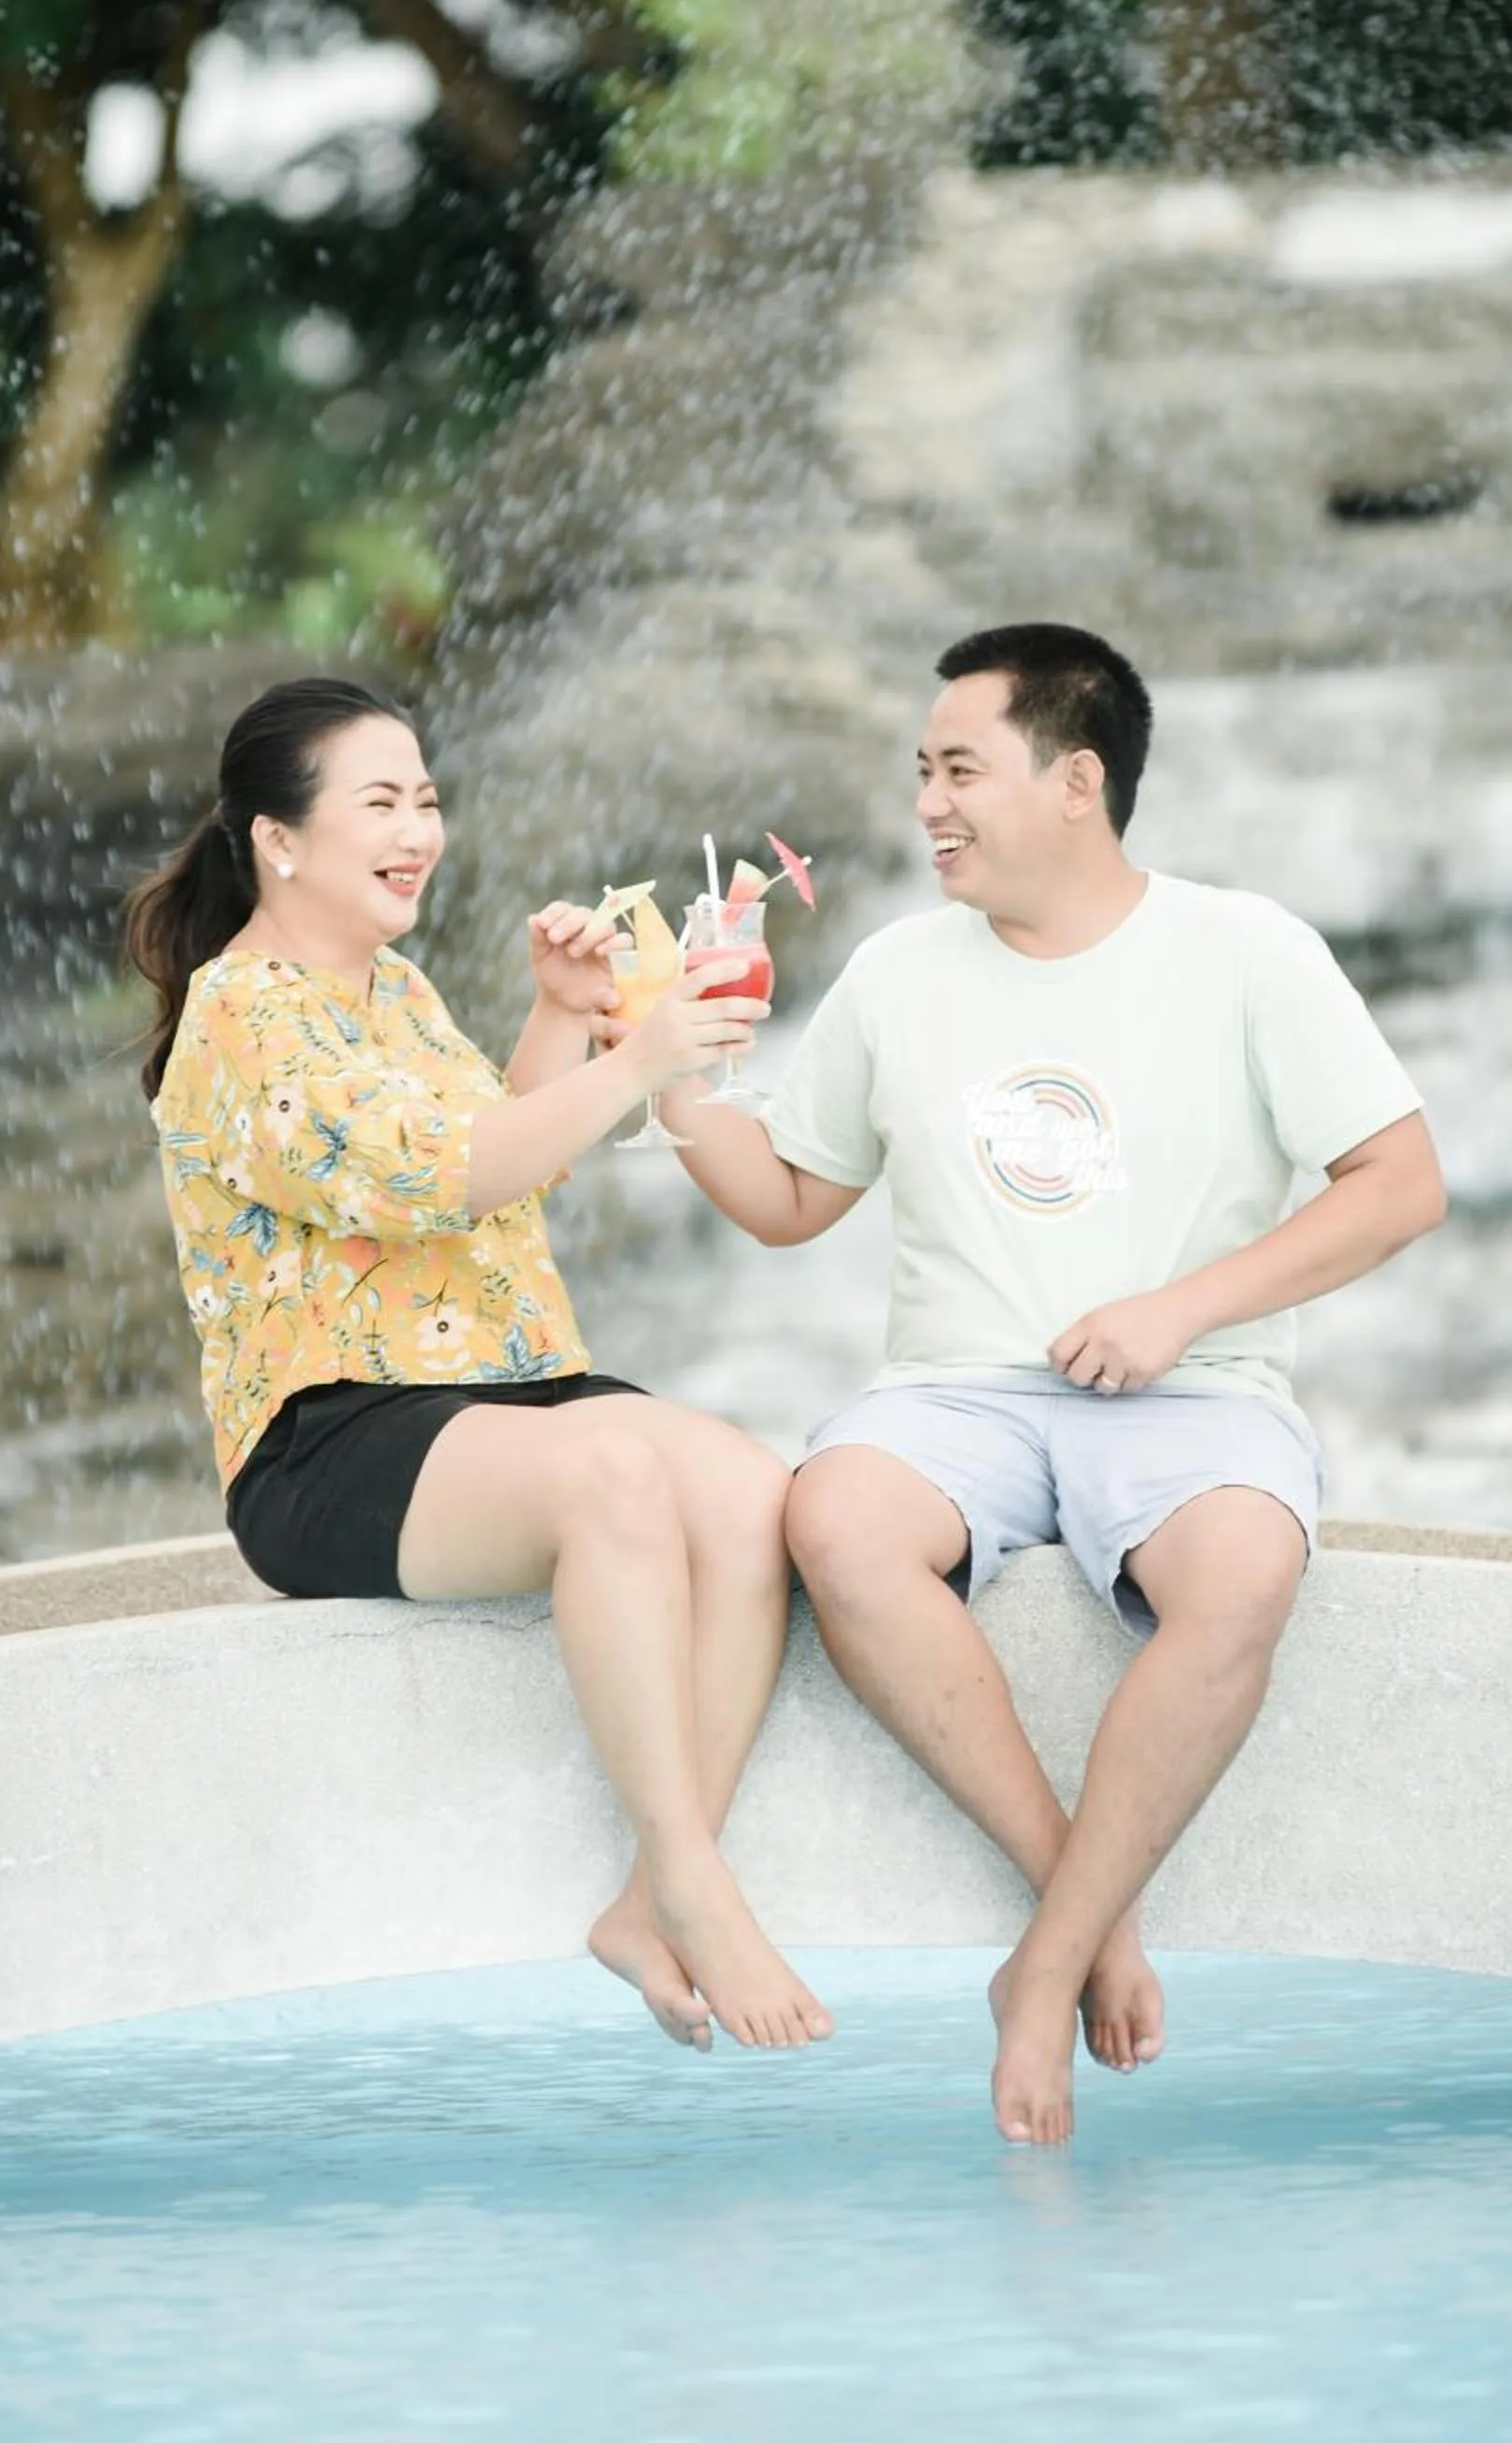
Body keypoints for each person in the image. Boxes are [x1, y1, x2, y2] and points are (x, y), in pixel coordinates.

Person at [657, 622, 1445, 2142]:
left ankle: (1040, 1968)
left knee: (1241, 1574)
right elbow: (786, 1201)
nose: (927, 803)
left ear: (1076, 779)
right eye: (919, 773)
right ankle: (1081, 1924)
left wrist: (1177, 1311)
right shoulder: (896, 969)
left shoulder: (1246, 950)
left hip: (1196, 1389)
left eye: (960, 768)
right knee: (834, 1519)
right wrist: (662, 1069)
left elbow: (1397, 1184)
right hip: (955, 1397)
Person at [123, 674, 831, 2058]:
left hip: (497, 1395)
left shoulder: (391, 990)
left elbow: (508, 1165)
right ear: (278, 837)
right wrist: (646, 1060)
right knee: (617, 1477)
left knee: (757, 1498)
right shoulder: (242, 1014)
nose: (417, 829)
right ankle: (691, 1872)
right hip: (330, 1438)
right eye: (379, 802)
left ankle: (639, 1903)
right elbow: (437, 1178)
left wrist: (562, 1015)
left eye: (427, 800)